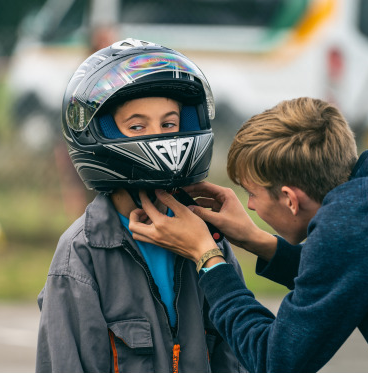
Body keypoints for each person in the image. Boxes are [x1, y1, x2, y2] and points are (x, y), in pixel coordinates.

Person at [128, 97, 368, 372]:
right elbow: (352, 266)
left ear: (290, 199)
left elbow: (274, 361)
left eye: (252, 193)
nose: (250, 207)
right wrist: (257, 240)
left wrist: (208, 257)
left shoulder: (348, 223)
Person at [35, 38, 246, 373]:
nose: (159, 136)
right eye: (137, 126)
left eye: (169, 124)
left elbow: (237, 357)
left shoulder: (209, 242)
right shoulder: (83, 255)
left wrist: (211, 253)